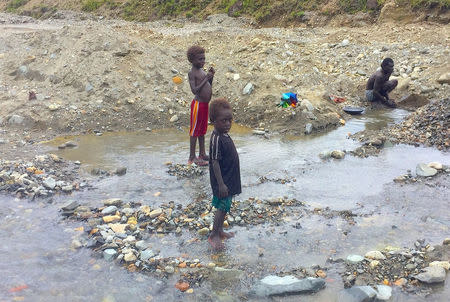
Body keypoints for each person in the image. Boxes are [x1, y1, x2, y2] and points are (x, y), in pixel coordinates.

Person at [208, 98, 241, 251]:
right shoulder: (216, 138)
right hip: (222, 180)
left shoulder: (224, 134)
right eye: (223, 121)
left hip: (229, 178)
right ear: (213, 121)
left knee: (226, 205)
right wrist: (221, 184)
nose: (228, 124)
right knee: (222, 206)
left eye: (230, 120)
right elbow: (214, 162)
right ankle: (214, 234)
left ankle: (220, 231)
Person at [187, 45, 215, 166]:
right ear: (192, 60)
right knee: (195, 131)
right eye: (200, 59)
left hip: (205, 105)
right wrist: (206, 79)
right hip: (197, 105)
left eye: (204, 59)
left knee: (202, 130)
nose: (203, 61)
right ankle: (192, 157)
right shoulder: (192, 72)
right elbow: (194, 90)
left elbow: (207, 85)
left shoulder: (201, 70)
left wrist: (210, 77)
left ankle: (202, 153)